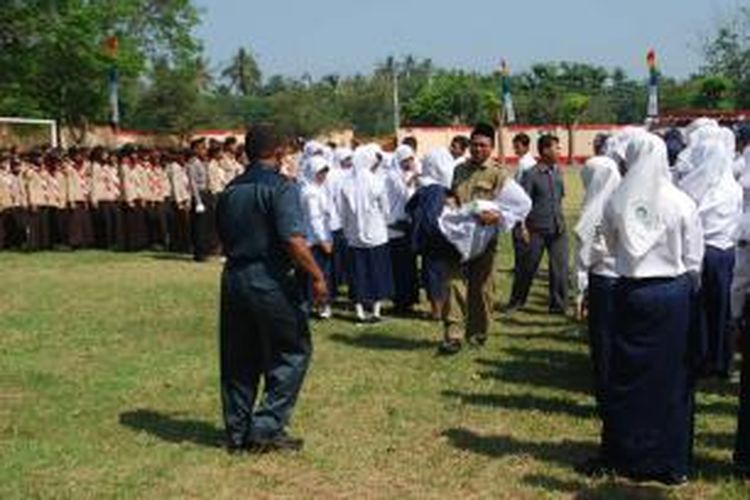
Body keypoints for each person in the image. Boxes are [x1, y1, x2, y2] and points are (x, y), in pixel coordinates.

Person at [591, 130, 704, 485]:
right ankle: (672, 462)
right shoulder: (682, 202)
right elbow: (693, 258)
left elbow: (607, 248)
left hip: (630, 294)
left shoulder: (616, 201)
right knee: (672, 380)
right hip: (672, 295)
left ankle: (629, 455)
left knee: (628, 377)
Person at [216, 124, 327, 454]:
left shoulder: (230, 189)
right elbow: (293, 239)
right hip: (270, 279)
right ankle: (265, 428)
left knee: (239, 358)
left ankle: (236, 433)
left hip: (234, 277)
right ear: (277, 152)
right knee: (292, 351)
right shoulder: (281, 188)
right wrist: (317, 276)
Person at [675, 125, 742, 379]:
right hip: (729, 252)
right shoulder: (732, 187)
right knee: (723, 308)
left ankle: (703, 358)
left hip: (707, 252)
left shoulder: (698, 189)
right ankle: (722, 360)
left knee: (703, 307)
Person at [438, 123, 509, 355]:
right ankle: (454, 335)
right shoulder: (460, 170)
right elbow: (453, 196)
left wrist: (495, 216)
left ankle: (478, 332)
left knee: (482, 289)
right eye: (474, 144)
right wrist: (450, 204)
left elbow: (510, 208)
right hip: (459, 239)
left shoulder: (498, 173)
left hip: (485, 241)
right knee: (454, 284)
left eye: (483, 145)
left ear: (491, 147)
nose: (478, 149)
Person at [573, 155, 621, 466]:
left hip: (604, 282)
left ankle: (608, 400)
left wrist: (581, 292)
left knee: (604, 347)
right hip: (630, 284)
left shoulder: (601, 207)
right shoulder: (626, 197)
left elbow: (586, 254)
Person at [508, 134, 569, 314]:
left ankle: (558, 306)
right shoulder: (531, 175)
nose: (559, 151)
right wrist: (523, 227)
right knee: (527, 268)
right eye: (556, 148)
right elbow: (522, 203)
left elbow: (560, 198)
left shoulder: (558, 172)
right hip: (536, 230)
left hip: (558, 228)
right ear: (544, 150)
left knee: (560, 269)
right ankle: (517, 302)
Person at [339, 144, 393, 323]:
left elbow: (343, 212)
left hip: (354, 237)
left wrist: (348, 231)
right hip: (377, 235)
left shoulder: (347, 184)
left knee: (358, 274)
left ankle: (360, 311)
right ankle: (376, 311)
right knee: (377, 272)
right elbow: (386, 210)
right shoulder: (376, 181)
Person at [386, 145, 420, 314]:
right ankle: (401, 301)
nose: (409, 163)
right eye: (405, 160)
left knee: (409, 265)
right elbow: (406, 195)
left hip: (406, 225)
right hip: (395, 226)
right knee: (399, 267)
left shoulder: (403, 175)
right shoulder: (393, 176)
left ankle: (409, 300)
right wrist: (413, 177)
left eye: (411, 159)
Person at [300, 156, 335, 319]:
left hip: (317, 238)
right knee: (318, 275)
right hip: (314, 241)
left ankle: (315, 304)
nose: (323, 176)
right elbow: (315, 219)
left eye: (324, 173)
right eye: (320, 173)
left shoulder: (314, 189)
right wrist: (324, 241)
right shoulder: (311, 193)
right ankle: (320, 305)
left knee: (314, 274)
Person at [186, 138, 211, 261]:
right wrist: (198, 201)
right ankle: (199, 253)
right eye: (201, 148)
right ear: (195, 149)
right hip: (198, 195)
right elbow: (193, 183)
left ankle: (204, 250)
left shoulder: (203, 162)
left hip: (206, 193)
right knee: (198, 225)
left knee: (205, 224)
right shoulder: (192, 163)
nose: (204, 150)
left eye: (204, 148)